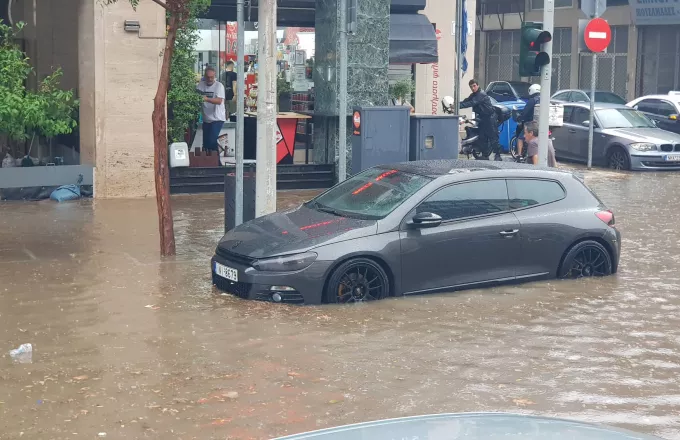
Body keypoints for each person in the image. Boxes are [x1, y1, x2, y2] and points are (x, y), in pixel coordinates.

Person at [460, 79, 501, 161]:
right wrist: (456, 104)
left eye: (474, 86)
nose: (473, 88)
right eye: (471, 87)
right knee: (482, 137)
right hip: (482, 118)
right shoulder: (474, 95)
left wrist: (459, 106)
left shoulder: (481, 94)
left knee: (493, 138)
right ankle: (485, 155)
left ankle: (498, 155)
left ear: (478, 85)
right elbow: (467, 101)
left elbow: (472, 103)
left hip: (490, 118)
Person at [196, 66, 227, 152]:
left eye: (211, 77)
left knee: (212, 141)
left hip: (217, 118)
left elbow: (219, 101)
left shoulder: (219, 86)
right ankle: (209, 162)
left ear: (215, 76)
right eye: (208, 77)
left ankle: (217, 163)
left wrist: (206, 99)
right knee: (206, 143)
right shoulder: (201, 85)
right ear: (204, 76)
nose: (209, 79)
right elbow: (196, 97)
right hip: (206, 119)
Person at [516, 84, 541, 160]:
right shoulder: (544, 99)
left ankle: (519, 155)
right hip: (542, 123)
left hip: (531, 123)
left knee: (520, 137)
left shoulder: (532, 100)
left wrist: (520, 117)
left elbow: (525, 112)